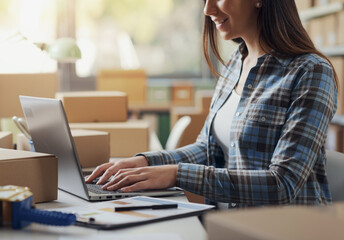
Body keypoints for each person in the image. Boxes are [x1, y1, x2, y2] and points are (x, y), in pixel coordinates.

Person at [86, 0, 338, 208]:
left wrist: (175, 174)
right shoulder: (234, 65)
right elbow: (208, 150)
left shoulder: (311, 72)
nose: (207, 9)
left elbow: (284, 184)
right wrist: (146, 162)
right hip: (227, 222)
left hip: (284, 230)